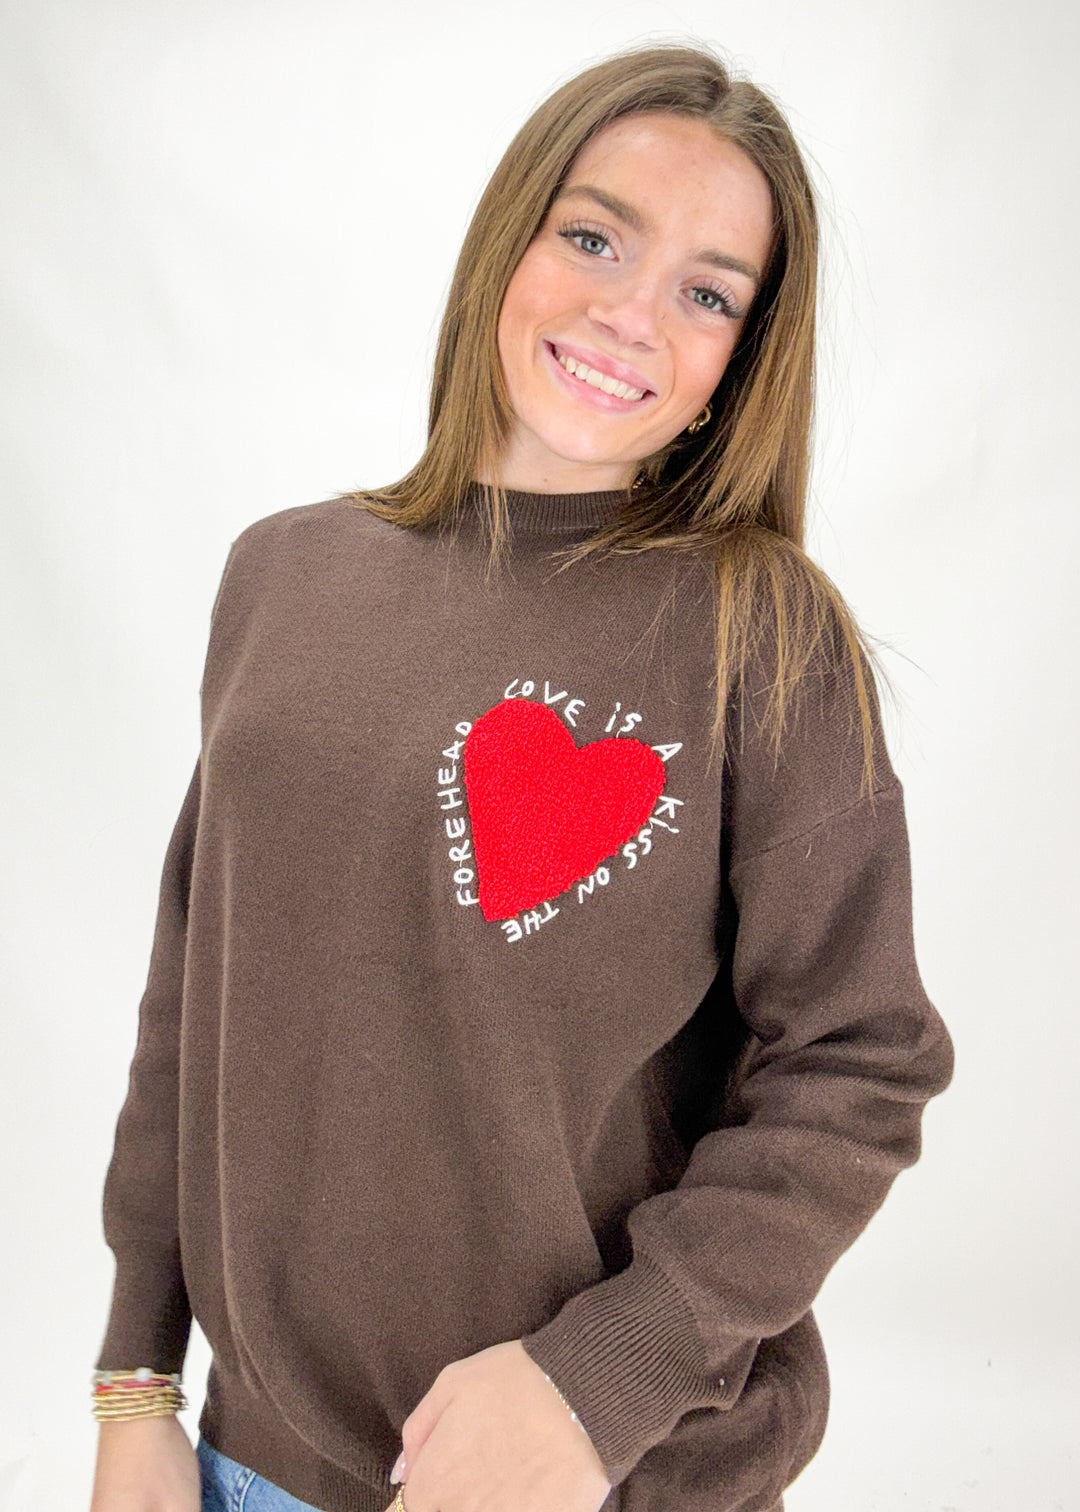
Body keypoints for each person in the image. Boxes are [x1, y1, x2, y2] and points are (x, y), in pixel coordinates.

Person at [88, 39, 954, 1512]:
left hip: (605, 1479)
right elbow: (196, 996)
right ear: (513, 238)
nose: (631, 311)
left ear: (741, 359)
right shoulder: (284, 573)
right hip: (253, 1469)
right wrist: (134, 1386)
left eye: (707, 291)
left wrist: (592, 1381)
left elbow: (858, 1067)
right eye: (595, 235)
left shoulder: (763, 633)